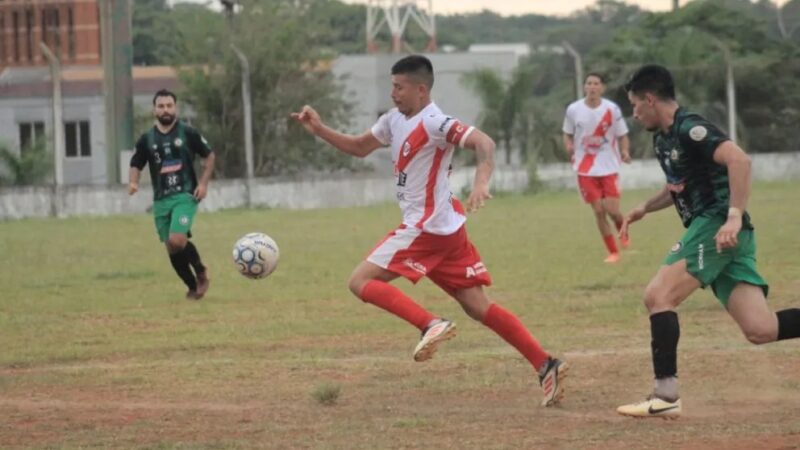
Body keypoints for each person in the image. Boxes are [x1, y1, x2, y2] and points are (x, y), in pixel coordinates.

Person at [291, 55, 568, 406]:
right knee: (478, 306)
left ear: (421, 90)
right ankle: (546, 364)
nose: (393, 93)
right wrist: (319, 129)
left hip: (426, 228)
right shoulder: (393, 120)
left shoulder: (436, 122)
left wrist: (481, 182)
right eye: (392, 86)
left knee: (360, 282)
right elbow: (360, 147)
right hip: (446, 228)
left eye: (399, 87)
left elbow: (485, 143)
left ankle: (430, 324)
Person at [616, 64, 800, 418]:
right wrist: (644, 208)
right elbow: (678, 187)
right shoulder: (663, 138)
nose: (634, 113)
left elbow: (740, 160)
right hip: (724, 235)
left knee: (658, 295)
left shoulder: (691, 128)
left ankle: (665, 395)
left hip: (717, 225)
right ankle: (665, 396)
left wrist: (732, 215)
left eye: (635, 105)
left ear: (650, 100)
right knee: (761, 329)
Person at [129, 89, 216, 300]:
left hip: (185, 196)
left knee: (177, 240)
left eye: (169, 105)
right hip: (161, 200)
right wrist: (133, 182)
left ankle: (201, 271)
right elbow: (136, 162)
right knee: (171, 247)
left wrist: (203, 184)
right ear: (154, 110)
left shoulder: (188, 133)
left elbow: (209, 155)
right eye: (161, 106)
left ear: (175, 108)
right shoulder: (147, 139)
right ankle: (192, 286)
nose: (165, 110)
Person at [563, 73, 632, 263]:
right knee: (599, 210)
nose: (592, 87)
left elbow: (623, 135)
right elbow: (567, 134)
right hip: (585, 168)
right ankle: (613, 252)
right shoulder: (574, 109)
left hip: (608, 166)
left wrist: (625, 151)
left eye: (596, 84)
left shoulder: (612, 109)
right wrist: (568, 146)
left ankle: (622, 229)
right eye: (589, 83)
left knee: (612, 209)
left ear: (602, 88)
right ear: (585, 87)